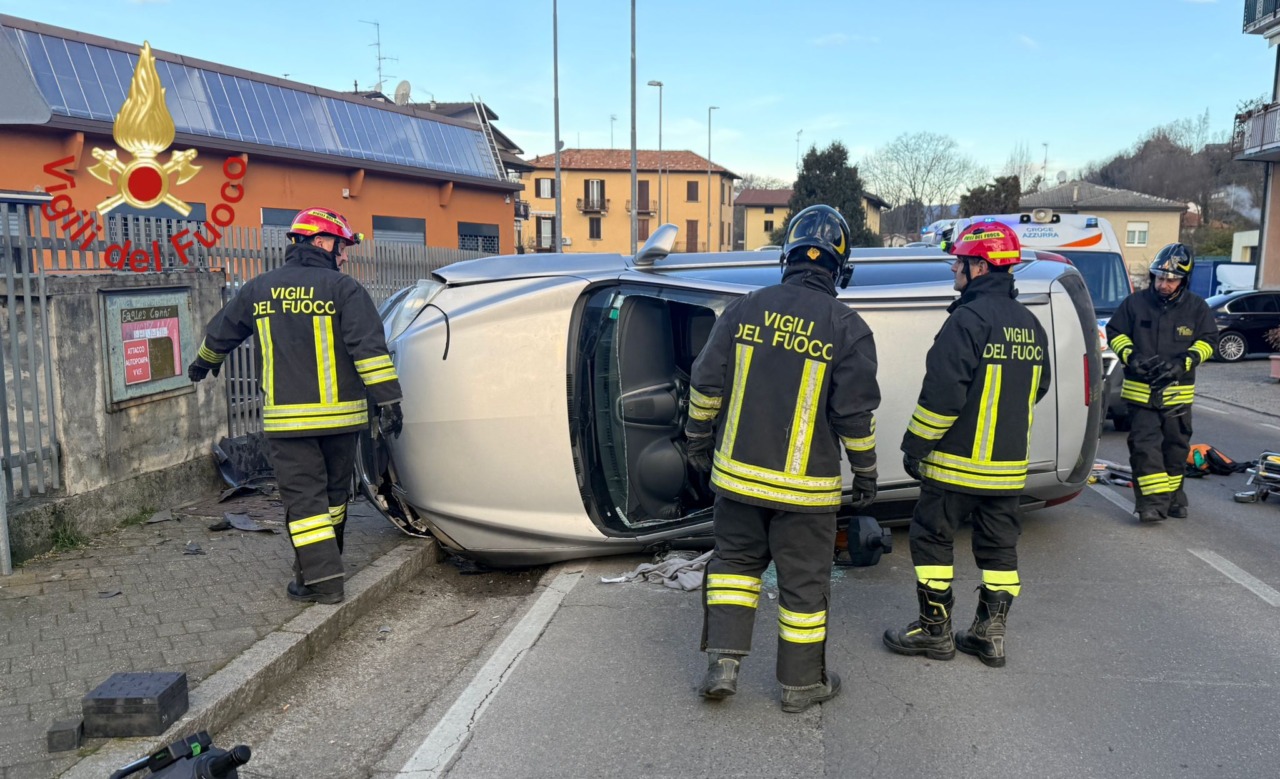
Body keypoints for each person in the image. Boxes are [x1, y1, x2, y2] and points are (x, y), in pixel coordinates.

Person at [684, 204, 880, 713]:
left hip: (737, 479)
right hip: (806, 494)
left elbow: (705, 385)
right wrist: (866, 473)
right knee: (803, 586)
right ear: (841, 268)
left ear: (786, 257)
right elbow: (855, 417)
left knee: (734, 567)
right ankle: (800, 686)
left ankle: (722, 666)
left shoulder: (744, 309)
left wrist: (698, 441)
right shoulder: (848, 327)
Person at [187, 206, 403, 605]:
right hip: (342, 421)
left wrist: (204, 362)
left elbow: (222, 331)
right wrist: (389, 400)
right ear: (321, 242)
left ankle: (320, 580)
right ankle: (320, 573)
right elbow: (369, 351)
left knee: (306, 503)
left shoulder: (259, 288)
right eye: (341, 247)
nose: (344, 255)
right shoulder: (345, 290)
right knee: (335, 498)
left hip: (289, 422)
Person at [883, 219, 1051, 669]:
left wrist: (914, 445)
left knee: (932, 540)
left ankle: (935, 632)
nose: (954, 268)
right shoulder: (1030, 324)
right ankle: (988, 634)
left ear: (979, 267)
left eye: (959, 261)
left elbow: (942, 395)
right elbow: (1039, 387)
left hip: (954, 466)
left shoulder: (967, 319)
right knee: (999, 550)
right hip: (1009, 469)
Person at [1105, 243, 1217, 524]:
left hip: (1176, 396)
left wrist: (1184, 363)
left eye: (1171, 279)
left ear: (1184, 280)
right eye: (1160, 278)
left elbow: (1208, 342)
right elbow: (1115, 332)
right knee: (1145, 449)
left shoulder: (1197, 308)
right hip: (1141, 394)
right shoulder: (1135, 304)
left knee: (1176, 450)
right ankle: (1151, 505)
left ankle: (1174, 498)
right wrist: (1132, 358)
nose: (1164, 284)